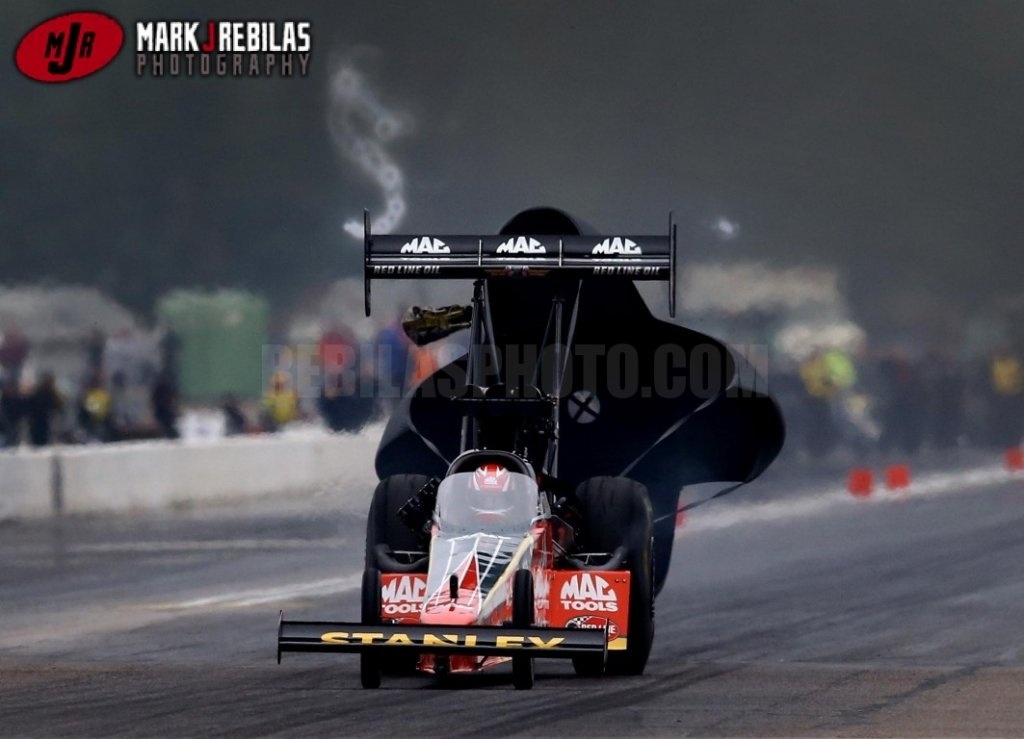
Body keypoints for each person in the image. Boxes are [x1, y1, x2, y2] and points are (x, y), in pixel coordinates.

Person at [27, 372, 63, 447]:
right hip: (37, 420)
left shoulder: (53, 393)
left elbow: (57, 405)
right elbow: (32, 405)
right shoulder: (37, 392)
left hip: (48, 420)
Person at [151, 371, 180, 439]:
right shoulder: (162, 388)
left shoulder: (165, 388)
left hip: (165, 410)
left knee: (168, 424)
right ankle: (171, 435)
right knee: (167, 424)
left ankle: (172, 435)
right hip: (163, 410)